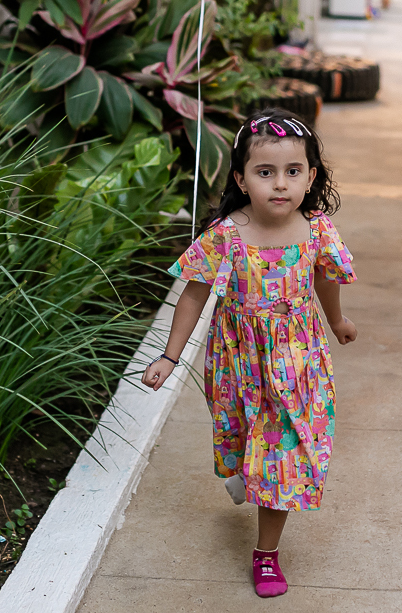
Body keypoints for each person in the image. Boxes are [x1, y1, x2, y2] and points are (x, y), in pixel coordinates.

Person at [141, 108, 358, 599]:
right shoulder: (227, 234)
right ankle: (249, 472)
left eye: (293, 172)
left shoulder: (316, 230)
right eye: (265, 173)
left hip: (299, 360)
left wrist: (337, 320)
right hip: (239, 358)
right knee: (243, 436)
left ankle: (266, 554)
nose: (280, 185)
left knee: (285, 452)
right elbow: (194, 293)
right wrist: (169, 358)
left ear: (310, 177)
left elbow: (325, 276)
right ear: (241, 178)